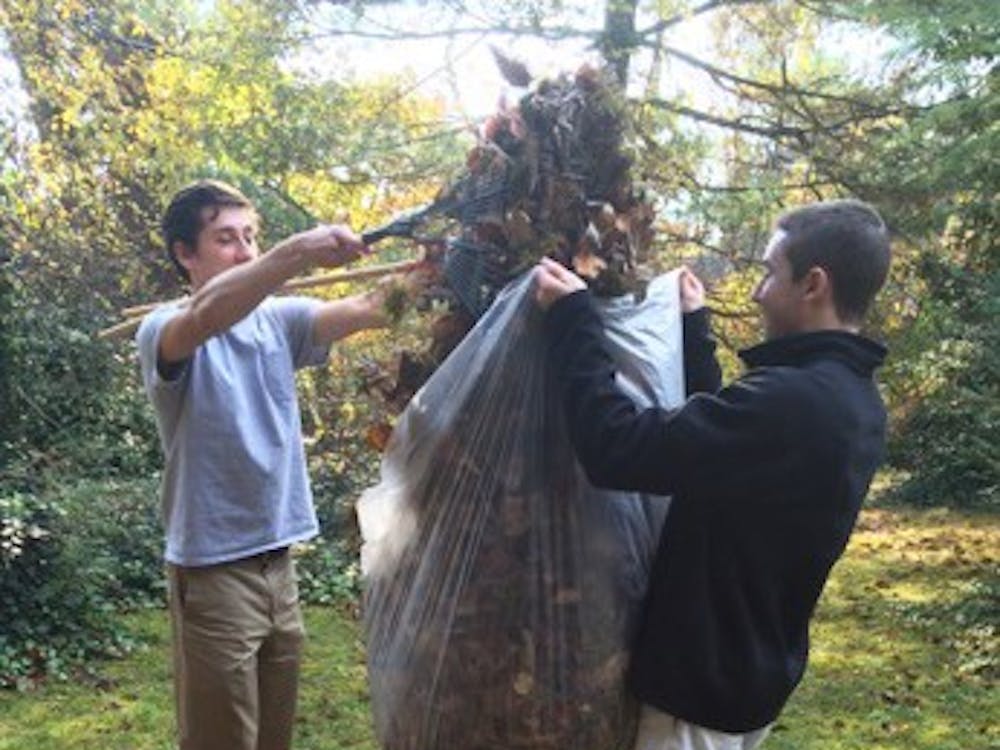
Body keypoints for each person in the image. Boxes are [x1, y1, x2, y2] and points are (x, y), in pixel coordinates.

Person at [533, 199, 892, 750]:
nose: (757, 292)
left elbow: (615, 449)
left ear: (813, 284)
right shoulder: (848, 397)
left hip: (697, 699)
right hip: (749, 675)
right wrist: (694, 328)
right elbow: (722, 452)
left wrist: (573, 320)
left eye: (771, 272)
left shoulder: (794, 401)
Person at [137, 179, 394, 750]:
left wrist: (430, 272)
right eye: (226, 239)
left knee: (272, 738)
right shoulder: (163, 327)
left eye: (252, 237)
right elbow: (206, 315)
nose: (246, 250)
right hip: (213, 573)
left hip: (279, 565)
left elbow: (366, 307)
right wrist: (298, 250)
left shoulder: (276, 320)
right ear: (185, 253)